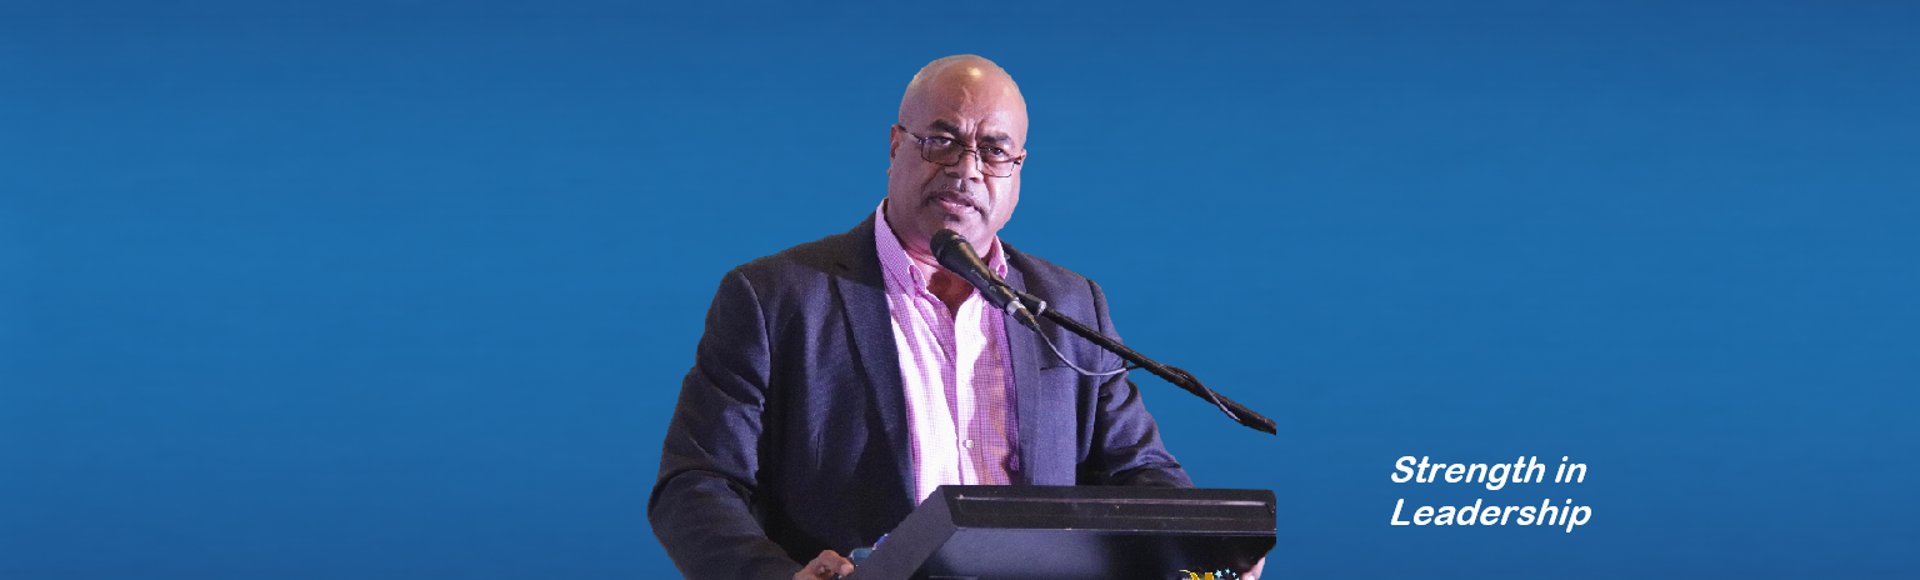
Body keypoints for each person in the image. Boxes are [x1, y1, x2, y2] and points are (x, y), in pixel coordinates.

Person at [650, 55, 1253, 580]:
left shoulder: (1069, 305)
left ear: (1017, 170)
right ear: (895, 147)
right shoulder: (775, 297)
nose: (967, 168)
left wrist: (1196, 551)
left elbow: (1139, 473)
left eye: (994, 151)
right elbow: (696, 484)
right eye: (942, 140)